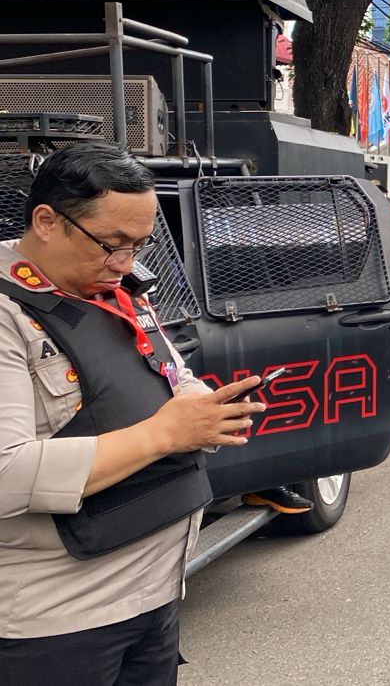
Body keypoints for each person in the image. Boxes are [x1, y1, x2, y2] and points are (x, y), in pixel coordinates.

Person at [0, 142, 266, 681]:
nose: (124, 264)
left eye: (138, 246)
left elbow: (166, 372)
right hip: (59, 620)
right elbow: (5, 473)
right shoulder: (10, 314)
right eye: (111, 245)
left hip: (158, 590)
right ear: (47, 221)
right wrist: (165, 434)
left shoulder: (114, 289)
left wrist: (205, 409)